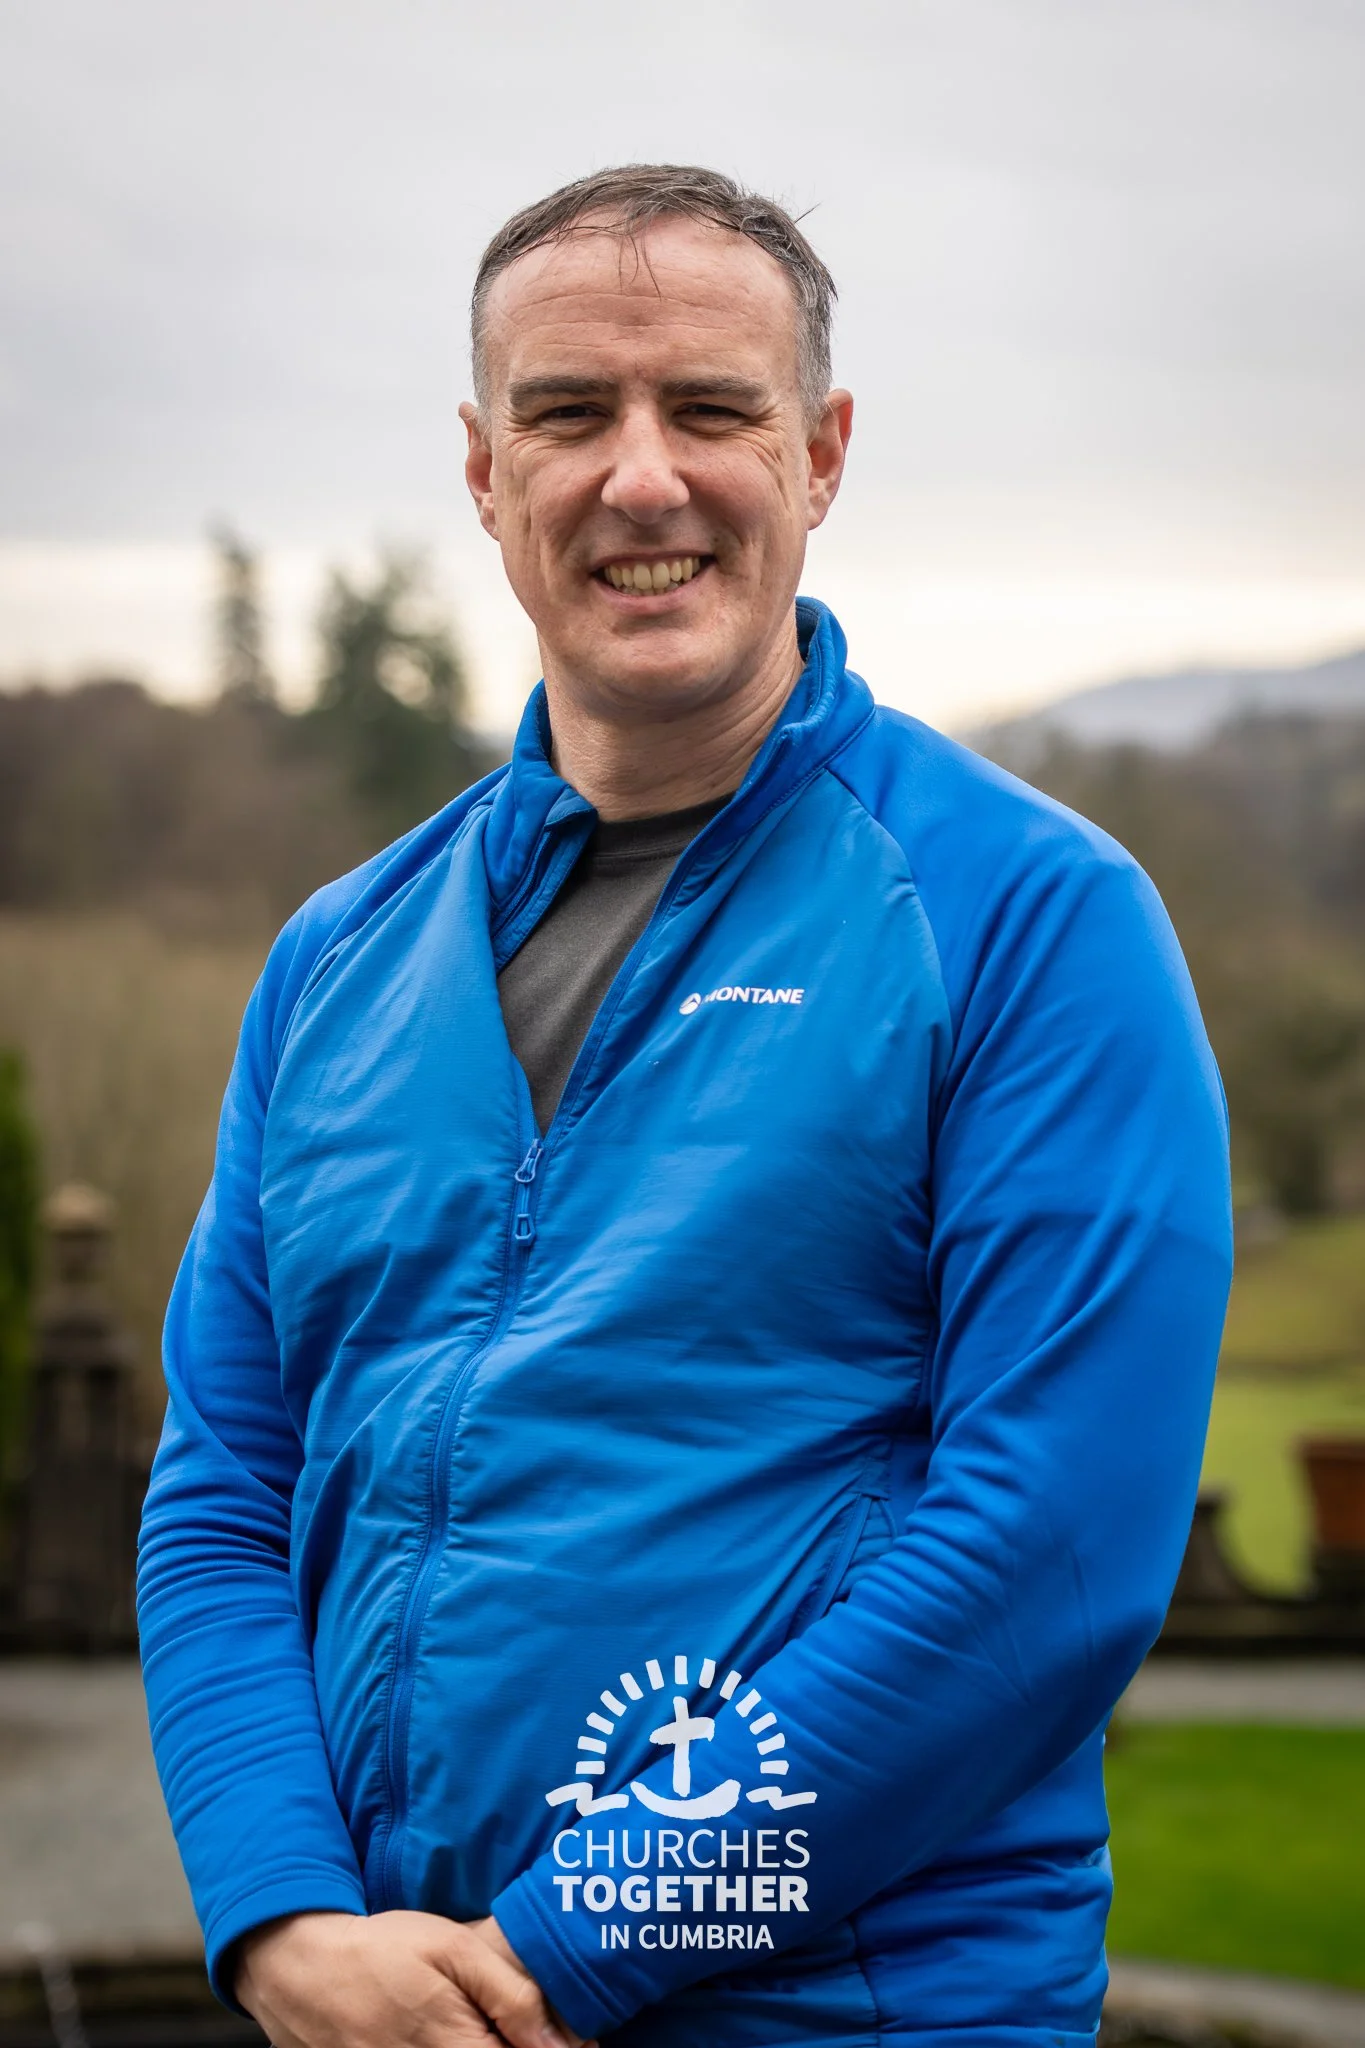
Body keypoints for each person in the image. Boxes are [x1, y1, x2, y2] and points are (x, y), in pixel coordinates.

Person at [138, 164, 1233, 2048]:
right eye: (570, 413)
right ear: (487, 475)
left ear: (820, 455)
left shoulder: (1034, 919)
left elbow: (1045, 1547)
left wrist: (561, 1955)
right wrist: (283, 1921)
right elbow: (223, 1491)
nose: (642, 476)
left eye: (710, 411)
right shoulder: (335, 959)